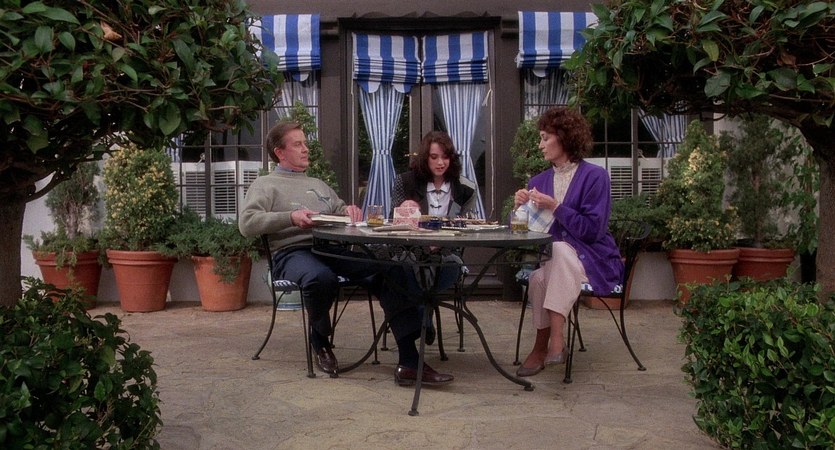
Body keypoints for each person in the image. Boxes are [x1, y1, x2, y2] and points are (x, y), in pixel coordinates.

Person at [239, 121, 453, 386]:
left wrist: (349, 211)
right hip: (292, 252)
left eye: (305, 143)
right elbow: (247, 223)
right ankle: (320, 340)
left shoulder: (318, 184)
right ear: (280, 152)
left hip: (330, 249)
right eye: (298, 144)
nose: (306, 149)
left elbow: (339, 210)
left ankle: (409, 362)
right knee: (320, 277)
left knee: (392, 267)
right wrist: (290, 217)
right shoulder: (265, 184)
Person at [513, 107, 623, 377]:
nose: (540, 145)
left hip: (593, 261)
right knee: (539, 276)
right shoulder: (539, 181)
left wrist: (556, 207)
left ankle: (549, 343)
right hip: (557, 263)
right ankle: (549, 346)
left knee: (555, 254)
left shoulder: (595, 177)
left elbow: (593, 231)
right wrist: (518, 209)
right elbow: (526, 231)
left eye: (544, 138)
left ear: (563, 137)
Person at [389, 131, 476, 340]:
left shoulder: (466, 188)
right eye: (434, 157)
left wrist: (442, 241)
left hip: (447, 253)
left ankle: (420, 316)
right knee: (408, 264)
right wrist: (404, 210)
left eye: (445, 157)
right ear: (425, 157)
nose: (440, 163)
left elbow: (467, 227)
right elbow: (394, 223)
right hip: (410, 250)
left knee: (442, 265)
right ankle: (424, 315)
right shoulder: (405, 182)